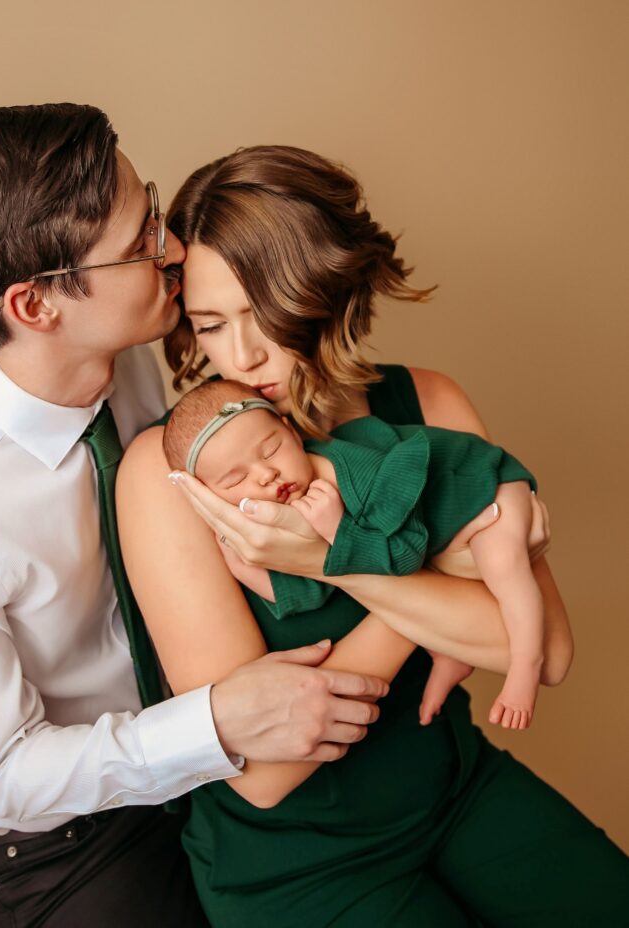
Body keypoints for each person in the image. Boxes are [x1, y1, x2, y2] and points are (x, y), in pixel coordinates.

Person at [0, 107, 393, 928]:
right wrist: (211, 725)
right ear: (35, 308)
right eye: (141, 242)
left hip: (217, 769)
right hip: (67, 847)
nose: (173, 250)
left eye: (155, 212)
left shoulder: (137, 344)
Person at [116, 144, 629, 926]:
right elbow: (258, 766)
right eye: (211, 324)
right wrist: (432, 572)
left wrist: (330, 564)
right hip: (295, 864)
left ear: (325, 291)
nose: (242, 356)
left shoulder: (428, 401)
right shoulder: (171, 470)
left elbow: (545, 650)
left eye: (267, 315)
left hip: (458, 789)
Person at [162, 375, 544, 729]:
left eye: (271, 449)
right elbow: (320, 584)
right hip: (436, 534)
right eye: (236, 479)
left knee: (502, 562)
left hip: (481, 486)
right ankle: (450, 656)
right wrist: (245, 564)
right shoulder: (285, 510)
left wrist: (336, 529)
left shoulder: (347, 474)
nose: (265, 475)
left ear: (293, 434)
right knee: (421, 606)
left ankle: (526, 665)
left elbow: (406, 558)